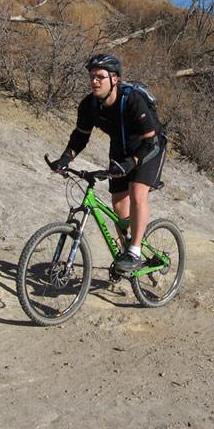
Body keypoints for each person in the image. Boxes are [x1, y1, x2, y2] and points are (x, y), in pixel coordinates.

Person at [49, 53, 166, 274]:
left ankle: (135, 251)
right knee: (119, 204)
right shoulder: (89, 105)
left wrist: (132, 163)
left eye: (100, 77)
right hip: (120, 149)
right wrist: (65, 158)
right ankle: (127, 251)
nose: (94, 81)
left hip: (149, 147)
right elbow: (80, 136)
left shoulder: (131, 100)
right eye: (92, 76)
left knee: (137, 192)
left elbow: (150, 140)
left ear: (115, 80)